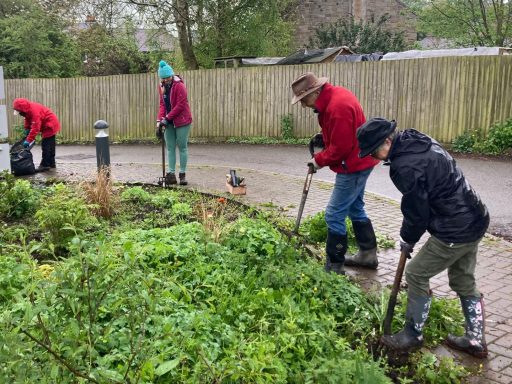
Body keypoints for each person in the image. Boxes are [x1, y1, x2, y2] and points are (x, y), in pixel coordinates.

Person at [357, 118, 490, 358]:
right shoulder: (415, 140)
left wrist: (408, 238)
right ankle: (475, 340)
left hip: (455, 228)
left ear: (387, 140)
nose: (374, 158)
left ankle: (412, 334)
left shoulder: (403, 166)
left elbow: (417, 211)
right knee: (462, 279)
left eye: (374, 151)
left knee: (416, 273)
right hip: (476, 216)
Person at [291, 72, 380, 275]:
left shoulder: (337, 107)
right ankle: (368, 255)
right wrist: (324, 136)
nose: (304, 105)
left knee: (334, 214)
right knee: (355, 207)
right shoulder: (335, 97)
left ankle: (334, 266)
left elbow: (340, 147)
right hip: (360, 161)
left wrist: (318, 161)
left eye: (304, 100)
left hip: (353, 165)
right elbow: (342, 132)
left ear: (314, 93)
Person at [156, 60, 193, 186]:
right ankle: (171, 174)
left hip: (182, 120)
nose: (166, 80)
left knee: (182, 147)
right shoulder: (161, 86)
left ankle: (182, 175)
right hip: (168, 121)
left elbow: (180, 105)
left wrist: (167, 118)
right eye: (163, 78)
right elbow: (162, 104)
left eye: (167, 78)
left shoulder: (179, 86)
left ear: (171, 75)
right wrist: (160, 120)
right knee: (170, 147)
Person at [13, 98, 61, 172]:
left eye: (19, 112)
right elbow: (27, 119)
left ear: (22, 109)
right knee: (50, 145)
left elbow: (36, 128)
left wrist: (29, 140)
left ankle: (45, 165)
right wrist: (27, 128)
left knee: (46, 146)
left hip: (50, 125)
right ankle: (51, 163)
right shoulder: (28, 110)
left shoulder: (34, 112)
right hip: (48, 124)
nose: (19, 114)